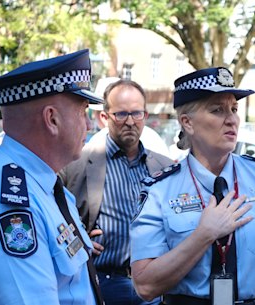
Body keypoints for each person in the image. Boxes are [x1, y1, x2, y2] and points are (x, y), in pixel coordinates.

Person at [130, 67, 255, 305]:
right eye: (217, 110)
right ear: (188, 123)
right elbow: (144, 285)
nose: (231, 119)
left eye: (234, 109)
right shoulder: (160, 191)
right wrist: (203, 235)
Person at [0, 49, 104, 304]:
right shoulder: (11, 200)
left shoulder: (47, 187)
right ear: (52, 119)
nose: (89, 125)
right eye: (82, 112)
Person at [59, 79, 173, 305]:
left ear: (145, 116)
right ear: (104, 118)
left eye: (136, 114)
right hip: (103, 284)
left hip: (154, 287)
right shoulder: (76, 165)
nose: (130, 122)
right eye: (121, 114)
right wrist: (76, 237)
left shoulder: (165, 167)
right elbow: (50, 212)